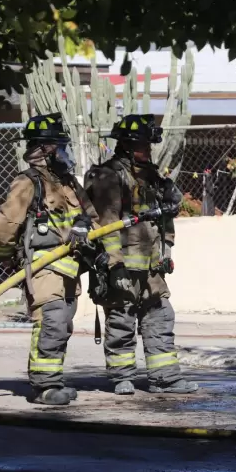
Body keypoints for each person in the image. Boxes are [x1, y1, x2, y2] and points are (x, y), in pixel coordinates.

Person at [85, 114, 198, 396]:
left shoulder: (152, 177)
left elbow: (165, 218)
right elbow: (104, 222)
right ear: (125, 146)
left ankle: (165, 378)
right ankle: (122, 377)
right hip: (121, 265)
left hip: (151, 265)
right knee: (121, 318)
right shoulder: (107, 176)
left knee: (160, 315)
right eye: (142, 146)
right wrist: (114, 263)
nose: (148, 152)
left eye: (149, 146)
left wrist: (167, 248)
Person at [0, 114, 99, 406]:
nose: (65, 153)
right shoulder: (28, 183)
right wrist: (7, 260)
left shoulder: (67, 184)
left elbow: (92, 216)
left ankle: (54, 380)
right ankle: (44, 387)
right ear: (45, 149)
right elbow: (3, 228)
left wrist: (85, 227)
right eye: (59, 146)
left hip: (69, 268)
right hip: (43, 267)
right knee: (51, 321)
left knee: (62, 323)